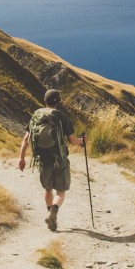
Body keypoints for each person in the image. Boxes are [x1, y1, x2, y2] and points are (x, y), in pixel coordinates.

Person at [18, 89, 85, 231]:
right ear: (58, 102)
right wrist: (82, 140)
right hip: (59, 158)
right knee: (60, 190)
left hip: (42, 159)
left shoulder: (36, 115)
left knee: (48, 189)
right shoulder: (60, 116)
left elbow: (26, 140)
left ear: (45, 101)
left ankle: (51, 217)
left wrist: (21, 158)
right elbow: (72, 140)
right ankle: (53, 212)